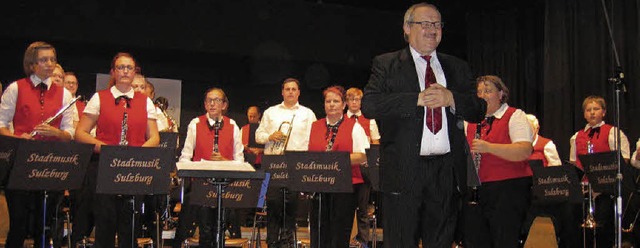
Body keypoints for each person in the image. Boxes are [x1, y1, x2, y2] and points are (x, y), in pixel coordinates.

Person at [361, 3, 486, 247]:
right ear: (407, 28)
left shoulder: (457, 66)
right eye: (425, 23)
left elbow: (478, 109)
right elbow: (370, 105)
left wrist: (451, 99)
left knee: (441, 241)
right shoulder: (386, 64)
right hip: (403, 172)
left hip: (446, 172)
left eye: (437, 24)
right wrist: (416, 99)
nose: (432, 29)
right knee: (400, 241)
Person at [74, 52, 160, 248]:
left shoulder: (145, 101)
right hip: (104, 166)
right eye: (121, 67)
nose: (125, 71)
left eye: (129, 68)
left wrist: (137, 154)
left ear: (134, 72)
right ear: (113, 72)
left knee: (129, 227)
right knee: (105, 224)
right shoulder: (100, 97)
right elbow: (80, 133)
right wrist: (107, 149)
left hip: (134, 168)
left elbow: (154, 137)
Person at [0, 41, 76, 248]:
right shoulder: (16, 88)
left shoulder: (64, 94)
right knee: (19, 225)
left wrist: (56, 132)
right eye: (44, 60)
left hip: (51, 164)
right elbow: (1, 125)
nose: (50, 64)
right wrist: (18, 138)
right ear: (32, 64)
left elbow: (70, 132)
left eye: (52, 59)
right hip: (20, 163)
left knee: (46, 226)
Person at [463, 75, 533, 247]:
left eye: (488, 91)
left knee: (504, 240)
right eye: (479, 92)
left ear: (501, 94)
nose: (482, 95)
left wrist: (489, 147)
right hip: (478, 189)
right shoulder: (470, 121)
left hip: (508, 189)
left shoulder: (515, 116)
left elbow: (524, 151)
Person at [177, 87, 244, 247]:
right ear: (205, 104)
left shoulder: (233, 125)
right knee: (205, 231)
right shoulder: (195, 123)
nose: (212, 104)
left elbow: (240, 160)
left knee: (220, 230)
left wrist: (223, 162)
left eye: (217, 100)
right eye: (209, 100)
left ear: (224, 105)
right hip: (202, 186)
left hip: (225, 188)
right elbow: (185, 156)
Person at [255, 77, 317, 247]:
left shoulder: (308, 113)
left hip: (296, 164)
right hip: (274, 163)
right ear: (282, 92)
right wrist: (270, 136)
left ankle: (288, 243)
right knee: (274, 205)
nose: (290, 92)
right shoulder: (270, 112)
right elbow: (258, 136)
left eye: (293, 89)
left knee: (292, 207)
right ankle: (273, 241)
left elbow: (314, 138)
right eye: (287, 89)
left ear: (299, 92)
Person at [307, 86, 370, 248]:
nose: (332, 104)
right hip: (318, 186)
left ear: (343, 105)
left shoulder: (354, 126)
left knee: (339, 232)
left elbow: (363, 155)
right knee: (318, 231)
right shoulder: (315, 126)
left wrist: (337, 161)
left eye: (336, 101)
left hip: (345, 188)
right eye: (328, 101)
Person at [569, 95, 630, 247]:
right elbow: (573, 164)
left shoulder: (613, 132)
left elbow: (623, 161)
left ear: (603, 112)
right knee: (581, 232)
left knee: (604, 230)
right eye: (588, 110)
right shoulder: (576, 137)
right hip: (584, 191)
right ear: (584, 114)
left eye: (596, 109)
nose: (592, 113)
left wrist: (601, 185)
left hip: (606, 191)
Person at [344, 87, 379, 246]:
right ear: (346, 102)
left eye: (357, 99)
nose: (354, 102)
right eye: (351, 99)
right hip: (345, 169)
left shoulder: (370, 120)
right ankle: (345, 240)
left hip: (364, 170)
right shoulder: (340, 120)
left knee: (362, 208)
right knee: (345, 207)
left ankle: (363, 242)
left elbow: (376, 143)